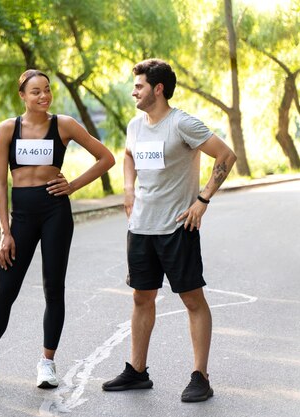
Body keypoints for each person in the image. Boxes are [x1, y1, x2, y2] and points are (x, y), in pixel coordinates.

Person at [0, 69, 116, 390]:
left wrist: (72, 186)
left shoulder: (64, 125)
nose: (43, 96)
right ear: (22, 96)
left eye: (47, 90)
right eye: (35, 92)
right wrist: (5, 231)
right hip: (22, 216)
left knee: (53, 288)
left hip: (55, 212)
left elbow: (106, 157)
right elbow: (0, 183)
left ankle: (47, 363)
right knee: (5, 291)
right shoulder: (8, 129)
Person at [101, 59, 237, 402]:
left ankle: (200, 376)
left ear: (158, 89)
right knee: (141, 297)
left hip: (178, 227)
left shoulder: (182, 124)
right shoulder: (135, 124)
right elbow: (128, 155)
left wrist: (203, 200)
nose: (134, 91)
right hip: (141, 227)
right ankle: (137, 371)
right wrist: (128, 188)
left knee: (192, 299)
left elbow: (225, 155)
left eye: (139, 86)